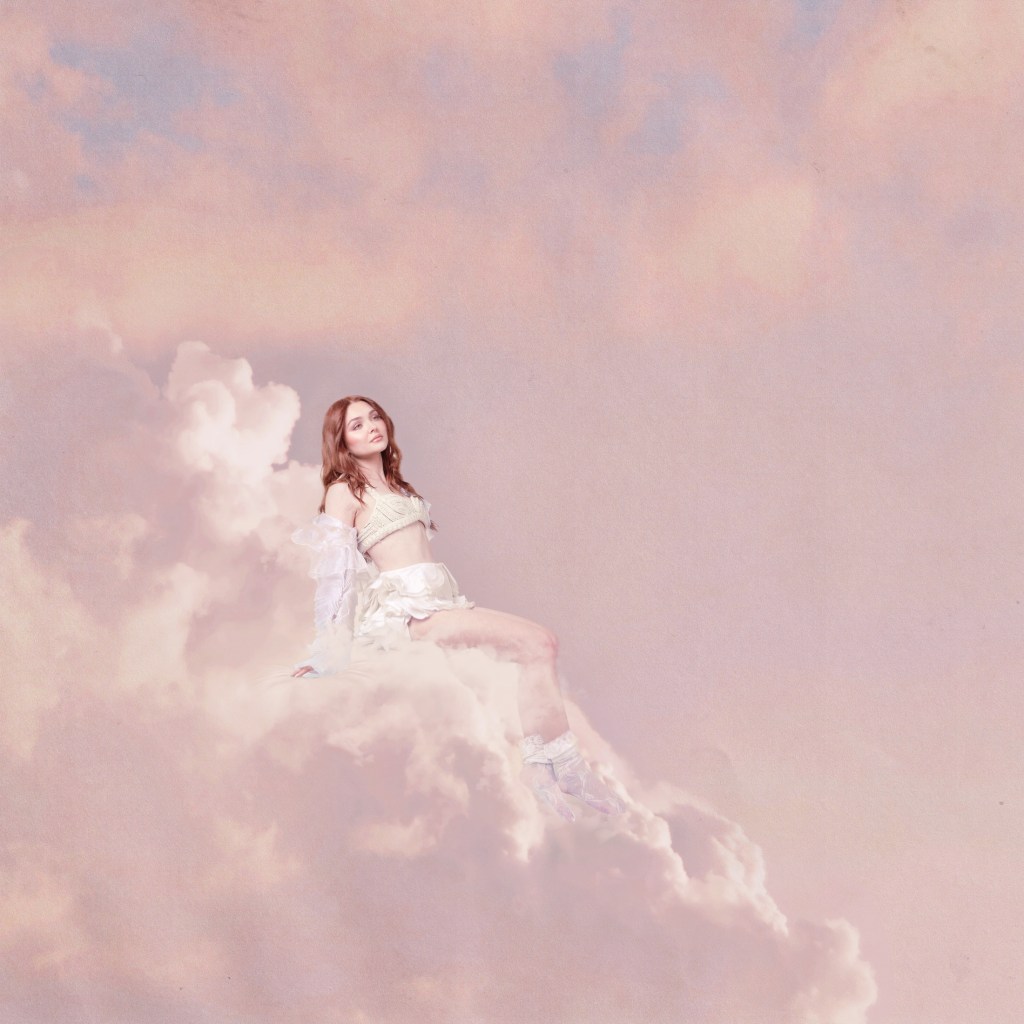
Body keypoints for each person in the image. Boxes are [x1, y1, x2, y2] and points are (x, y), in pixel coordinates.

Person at [291, 395, 624, 823]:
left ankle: (542, 770)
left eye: (374, 417)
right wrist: (327, 652)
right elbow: (336, 576)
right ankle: (568, 772)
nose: (372, 426)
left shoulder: (396, 486)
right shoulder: (344, 491)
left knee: (533, 652)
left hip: (439, 603)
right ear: (341, 442)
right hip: (406, 616)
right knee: (539, 642)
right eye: (356, 425)